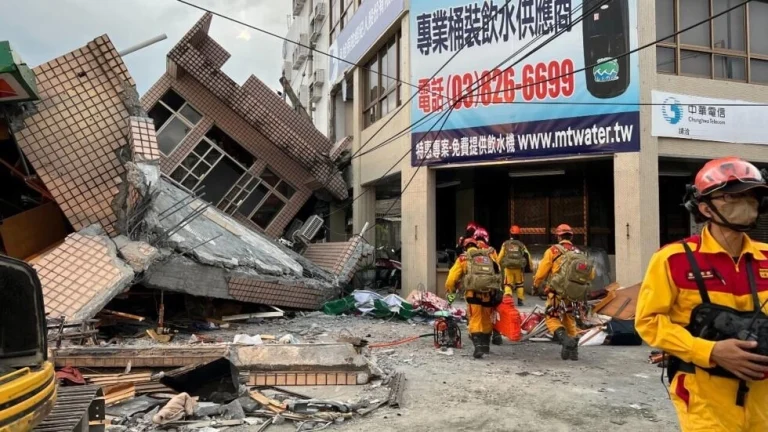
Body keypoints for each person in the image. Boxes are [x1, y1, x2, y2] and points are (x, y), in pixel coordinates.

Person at [635, 157, 768, 431]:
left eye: (750, 196)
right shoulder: (673, 259)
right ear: (705, 208)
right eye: (733, 197)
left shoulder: (766, 257)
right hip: (704, 393)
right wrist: (710, 351)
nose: (745, 203)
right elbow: (649, 322)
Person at [533, 223, 595, 361]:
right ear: (571, 236)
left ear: (558, 236)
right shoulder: (579, 252)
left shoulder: (553, 251)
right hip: (574, 294)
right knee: (569, 319)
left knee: (551, 317)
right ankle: (573, 351)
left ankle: (565, 340)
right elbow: (591, 274)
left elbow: (541, 272)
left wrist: (536, 284)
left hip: (557, 292)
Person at [446, 236, 502, 359]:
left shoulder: (463, 258)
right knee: (486, 319)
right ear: (476, 245)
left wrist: (451, 290)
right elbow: (498, 270)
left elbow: (451, 278)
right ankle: (486, 346)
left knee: (475, 319)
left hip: (473, 294)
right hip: (488, 293)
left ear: (465, 247)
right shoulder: (488, 256)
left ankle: (478, 347)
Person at [498, 225, 532, 307]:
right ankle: (520, 301)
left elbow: (500, 255)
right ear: (518, 234)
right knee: (519, 284)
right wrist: (530, 266)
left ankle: (508, 300)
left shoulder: (505, 244)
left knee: (508, 284)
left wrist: (497, 264)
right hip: (518, 268)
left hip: (508, 268)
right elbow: (528, 255)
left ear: (510, 234)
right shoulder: (521, 244)